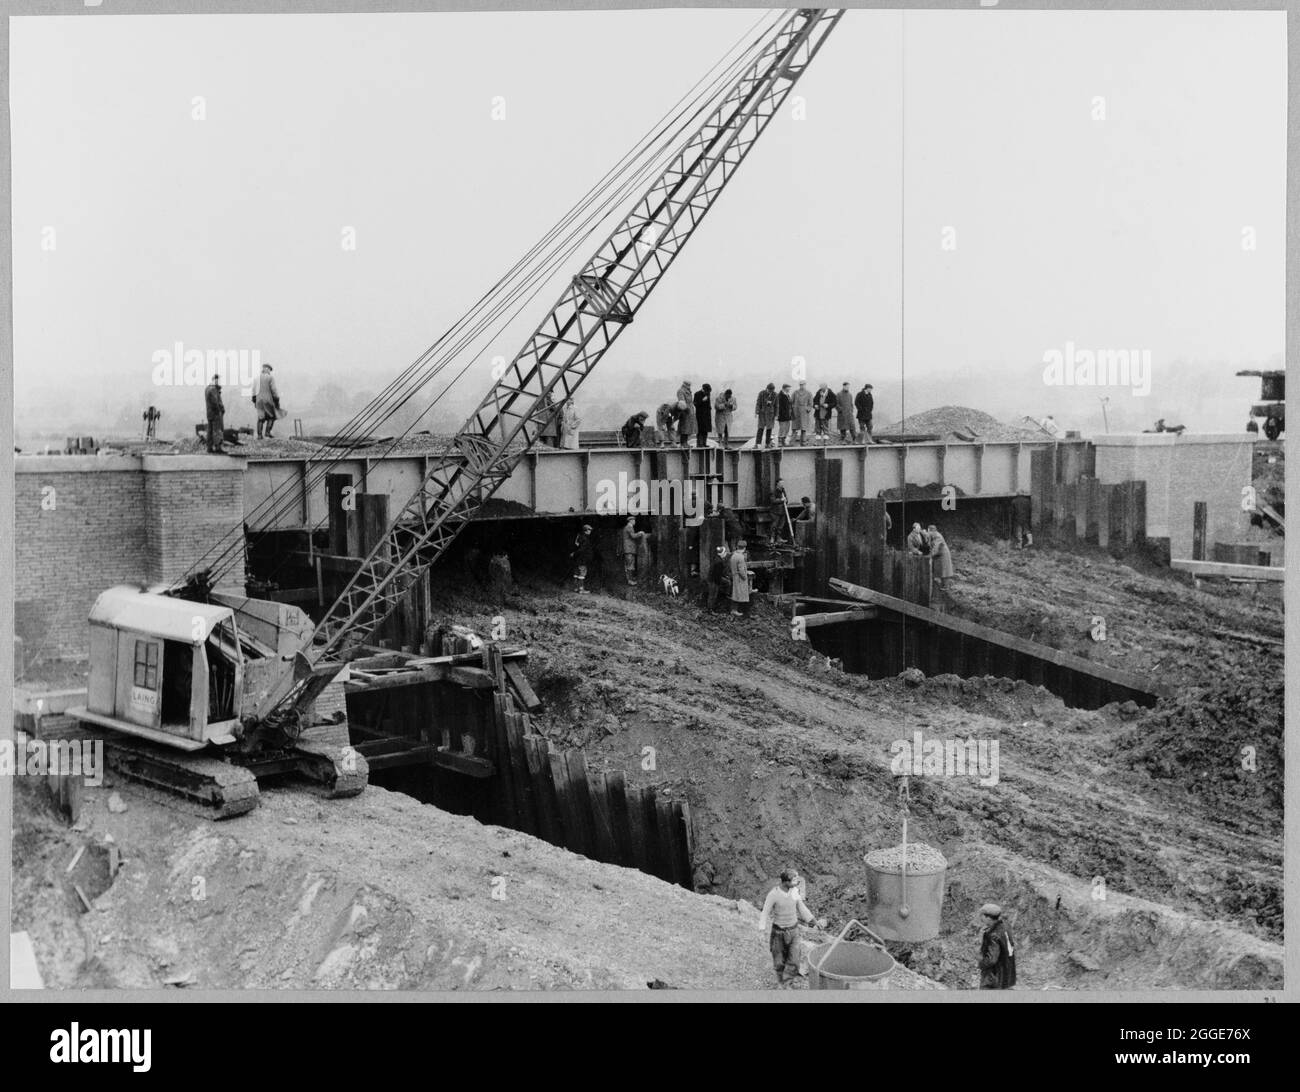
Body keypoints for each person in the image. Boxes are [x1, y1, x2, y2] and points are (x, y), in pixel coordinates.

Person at [759, 869, 826, 988]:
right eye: (794, 880)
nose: (796, 882)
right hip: (778, 932)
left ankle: (787, 982)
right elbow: (765, 912)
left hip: (794, 931)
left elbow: (802, 908)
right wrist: (761, 929)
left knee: (794, 960)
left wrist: (814, 921)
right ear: (785, 882)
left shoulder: (794, 891)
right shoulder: (773, 894)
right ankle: (781, 982)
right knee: (779, 961)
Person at [977, 903, 1017, 989]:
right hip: (1008, 973)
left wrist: (981, 964)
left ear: (987, 917)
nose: (980, 918)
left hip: (994, 976)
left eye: (982, 916)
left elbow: (991, 960)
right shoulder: (1005, 925)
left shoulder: (993, 935)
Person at [253, 363, 281, 439]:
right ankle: (267, 433)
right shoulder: (270, 378)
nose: (269, 371)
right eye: (269, 370)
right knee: (271, 417)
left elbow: (254, 390)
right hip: (268, 400)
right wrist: (277, 400)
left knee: (261, 417)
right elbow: (274, 390)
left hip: (259, 401)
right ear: (267, 369)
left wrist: (254, 400)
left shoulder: (257, 378)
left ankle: (259, 435)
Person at [622, 516, 649, 586]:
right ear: (630, 521)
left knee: (630, 565)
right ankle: (630, 581)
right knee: (630, 565)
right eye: (634, 520)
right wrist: (641, 533)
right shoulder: (629, 527)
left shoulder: (628, 527)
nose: (635, 522)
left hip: (629, 549)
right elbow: (633, 536)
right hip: (629, 549)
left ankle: (630, 580)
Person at [728, 539, 752, 617]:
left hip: (734, 576)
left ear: (737, 547)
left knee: (736, 593)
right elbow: (741, 570)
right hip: (739, 578)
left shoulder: (734, 555)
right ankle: (739, 611)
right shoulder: (741, 557)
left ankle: (735, 610)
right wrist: (745, 577)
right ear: (744, 548)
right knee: (741, 594)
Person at [570, 524, 594, 594]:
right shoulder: (585, 539)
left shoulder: (579, 537)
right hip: (582, 559)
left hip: (577, 559)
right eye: (589, 530)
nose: (590, 531)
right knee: (582, 573)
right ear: (585, 531)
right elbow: (582, 549)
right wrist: (575, 553)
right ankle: (581, 589)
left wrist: (574, 553)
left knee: (576, 573)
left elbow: (576, 546)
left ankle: (576, 588)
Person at [705, 543, 729, 611]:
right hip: (713, 581)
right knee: (713, 595)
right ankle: (710, 609)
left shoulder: (717, 559)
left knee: (712, 595)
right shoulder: (719, 562)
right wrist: (718, 584)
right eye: (725, 552)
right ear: (722, 553)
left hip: (712, 579)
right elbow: (717, 575)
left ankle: (711, 607)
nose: (726, 553)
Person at [204, 375, 225, 454]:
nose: (219, 382)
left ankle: (209, 447)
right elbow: (215, 402)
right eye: (218, 380)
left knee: (210, 431)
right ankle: (218, 447)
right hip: (215, 413)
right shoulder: (213, 389)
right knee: (217, 430)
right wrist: (219, 411)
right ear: (215, 380)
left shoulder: (207, 388)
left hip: (209, 413)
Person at [755, 383, 777, 448]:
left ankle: (768, 444)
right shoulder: (761, 393)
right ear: (767, 388)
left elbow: (776, 405)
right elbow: (758, 403)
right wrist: (756, 412)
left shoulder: (775, 394)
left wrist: (776, 415)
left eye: (771, 391)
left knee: (769, 429)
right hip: (762, 414)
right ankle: (758, 444)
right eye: (769, 390)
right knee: (760, 429)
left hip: (770, 415)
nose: (770, 392)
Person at [791, 380, 812, 445]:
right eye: (800, 385)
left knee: (804, 428)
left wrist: (808, 409)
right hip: (796, 412)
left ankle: (803, 442)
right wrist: (793, 409)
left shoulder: (809, 393)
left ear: (805, 385)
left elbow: (810, 404)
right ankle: (792, 442)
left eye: (803, 385)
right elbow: (791, 401)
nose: (801, 386)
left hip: (804, 413)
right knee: (795, 428)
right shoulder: (795, 392)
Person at [769, 479, 790, 544]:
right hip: (775, 512)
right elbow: (773, 501)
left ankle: (778, 538)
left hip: (783, 511)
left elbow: (786, 499)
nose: (782, 485)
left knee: (781, 526)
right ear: (777, 484)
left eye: (783, 483)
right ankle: (772, 538)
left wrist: (786, 500)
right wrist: (781, 500)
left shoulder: (783, 491)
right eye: (781, 483)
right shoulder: (773, 491)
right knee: (774, 526)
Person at [693, 383, 713, 449]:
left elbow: (708, 404)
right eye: (707, 391)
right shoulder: (697, 394)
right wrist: (702, 400)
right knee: (700, 430)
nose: (708, 392)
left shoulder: (708, 394)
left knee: (705, 430)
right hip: (700, 415)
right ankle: (699, 444)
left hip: (707, 415)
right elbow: (695, 404)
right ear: (703, 389)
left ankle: (704, 443)